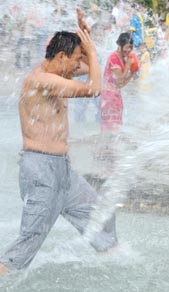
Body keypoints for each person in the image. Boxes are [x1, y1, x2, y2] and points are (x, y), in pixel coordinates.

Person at [0, 9, 117, 275]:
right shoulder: (41, 80)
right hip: (41, 170)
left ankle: (114, 263)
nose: (79, 65)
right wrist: (89, 49)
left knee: (101, 215)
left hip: (62, 170)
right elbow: (94, 88)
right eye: (76, 58)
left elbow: (90, 68)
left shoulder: (59, 74)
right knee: (26, 246)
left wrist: (87, 40)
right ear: (61, 56)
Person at [100, 32, 134, 132]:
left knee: (113, 128)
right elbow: (120, 81)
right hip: (109, 98)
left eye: (131, 47)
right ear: (120, 45)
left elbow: (120, 84)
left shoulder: (121, 58)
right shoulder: (114, 58)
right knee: (112, 130)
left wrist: (132, 73)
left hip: (114, 96)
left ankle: (109, 147)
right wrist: (128, 67)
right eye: (127, 47)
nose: (129, 50)